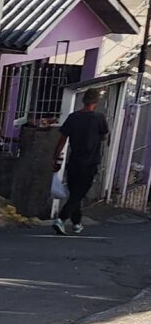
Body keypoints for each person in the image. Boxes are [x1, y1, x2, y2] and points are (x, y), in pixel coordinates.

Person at [53, 88, 109, 236]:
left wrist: (56, 157)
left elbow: (62, 139)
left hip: (74, 162)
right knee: (78, 194)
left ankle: (77, 223)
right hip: (90, 163)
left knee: (74, 193)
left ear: (84, 100)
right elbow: (104, 137)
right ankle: (61, 218)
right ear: (96, 102)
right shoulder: (99, 118)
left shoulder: (73, 117)